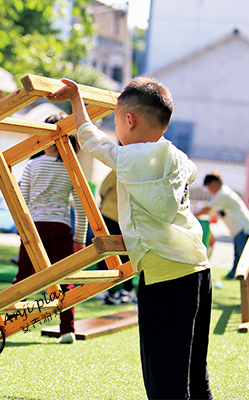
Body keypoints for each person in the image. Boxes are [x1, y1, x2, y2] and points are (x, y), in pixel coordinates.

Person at [47, 77, 212, 399]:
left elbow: (93, 140)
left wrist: (76, 100)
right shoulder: (177, 157)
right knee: (192, 368)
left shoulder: (132, 158)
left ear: (129, 120)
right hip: (197, 267)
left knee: (164, 369)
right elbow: (191, 172)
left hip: (164, 274)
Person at [14, 112, 87, 345]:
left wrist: (21, 230)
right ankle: (67, 330)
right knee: (64, 281)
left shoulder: (31, 166)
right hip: (60, 227)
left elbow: (21, 200)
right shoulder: (71, 168)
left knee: (24, 280)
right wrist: (80, 239)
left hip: (33, 227)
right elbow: (81, 205)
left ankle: (5, 324)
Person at [195, 172, 249, 279]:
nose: (209, 190)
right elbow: (213, 211)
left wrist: (192, 214)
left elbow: (208, 209)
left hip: (242, 228)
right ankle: (233, 274)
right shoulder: (223, 194)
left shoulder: (223, 194)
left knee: (242, 255)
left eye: (209, 187)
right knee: (238, 254)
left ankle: (237, 275)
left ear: (214, 183)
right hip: (238, 229)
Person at [96, 169, 135, 305]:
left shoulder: (119, 167)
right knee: (127, 253)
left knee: (106, 252)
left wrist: (103, 200)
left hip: (111, 212)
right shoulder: (139, 168)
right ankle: (127, 288)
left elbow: (104, 188)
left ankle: (103, 288)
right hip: (128, 216)